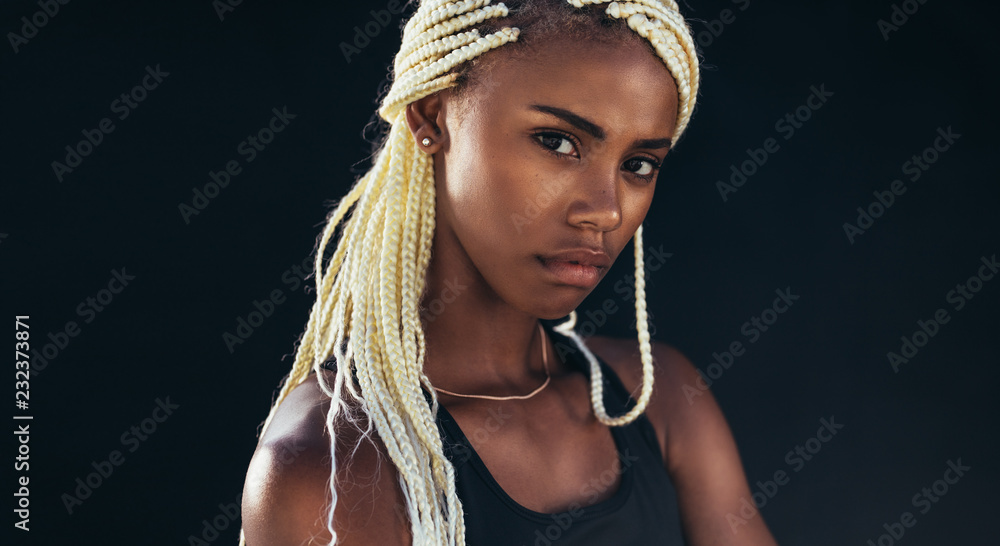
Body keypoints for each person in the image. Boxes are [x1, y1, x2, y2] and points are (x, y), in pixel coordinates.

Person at [239, 0, 778, 544]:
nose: (606, 210)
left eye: (638, 165)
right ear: (431, 116)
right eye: (558, 142)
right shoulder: (332, 466)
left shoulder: (658, 399)